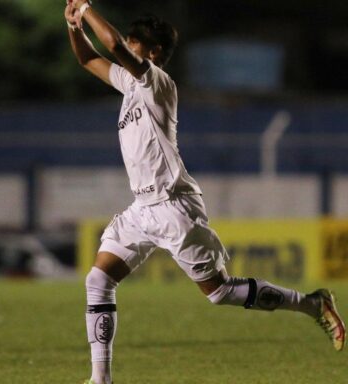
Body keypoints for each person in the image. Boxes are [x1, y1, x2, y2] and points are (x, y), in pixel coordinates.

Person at [64, 2, 346, 383]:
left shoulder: (157, 82)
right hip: (141, 209)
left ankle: (313, 304)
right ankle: (101, 379)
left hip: (173, 205)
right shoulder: (129, 85)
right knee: (98, 280)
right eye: (129, 42)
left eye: (135, 44)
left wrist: (86, 7)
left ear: (153, 53)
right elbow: (86, 59)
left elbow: (112, 45)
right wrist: (74, 26)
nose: (127, 48)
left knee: (219, 293)